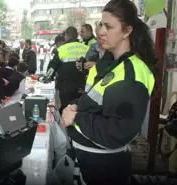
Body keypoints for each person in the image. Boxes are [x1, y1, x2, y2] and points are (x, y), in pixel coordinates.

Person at [62, 1, 156, 184]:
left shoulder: (131, 74)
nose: (100, 31)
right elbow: (91, 97)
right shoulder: (108, 61)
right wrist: (75, 104)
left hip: (103, 164)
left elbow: (118, 131)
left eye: (108, 26)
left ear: (127, 31)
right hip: (86, 157)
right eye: (100, 24)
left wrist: (76, 117)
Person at [46, 27, 89, 111]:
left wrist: (47, 77)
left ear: (67, 35)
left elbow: (52, 67)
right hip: (83, 87)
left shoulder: (62, 49)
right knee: (80, 111)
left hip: (66, 88)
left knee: (67, 111)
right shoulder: (86, 48)